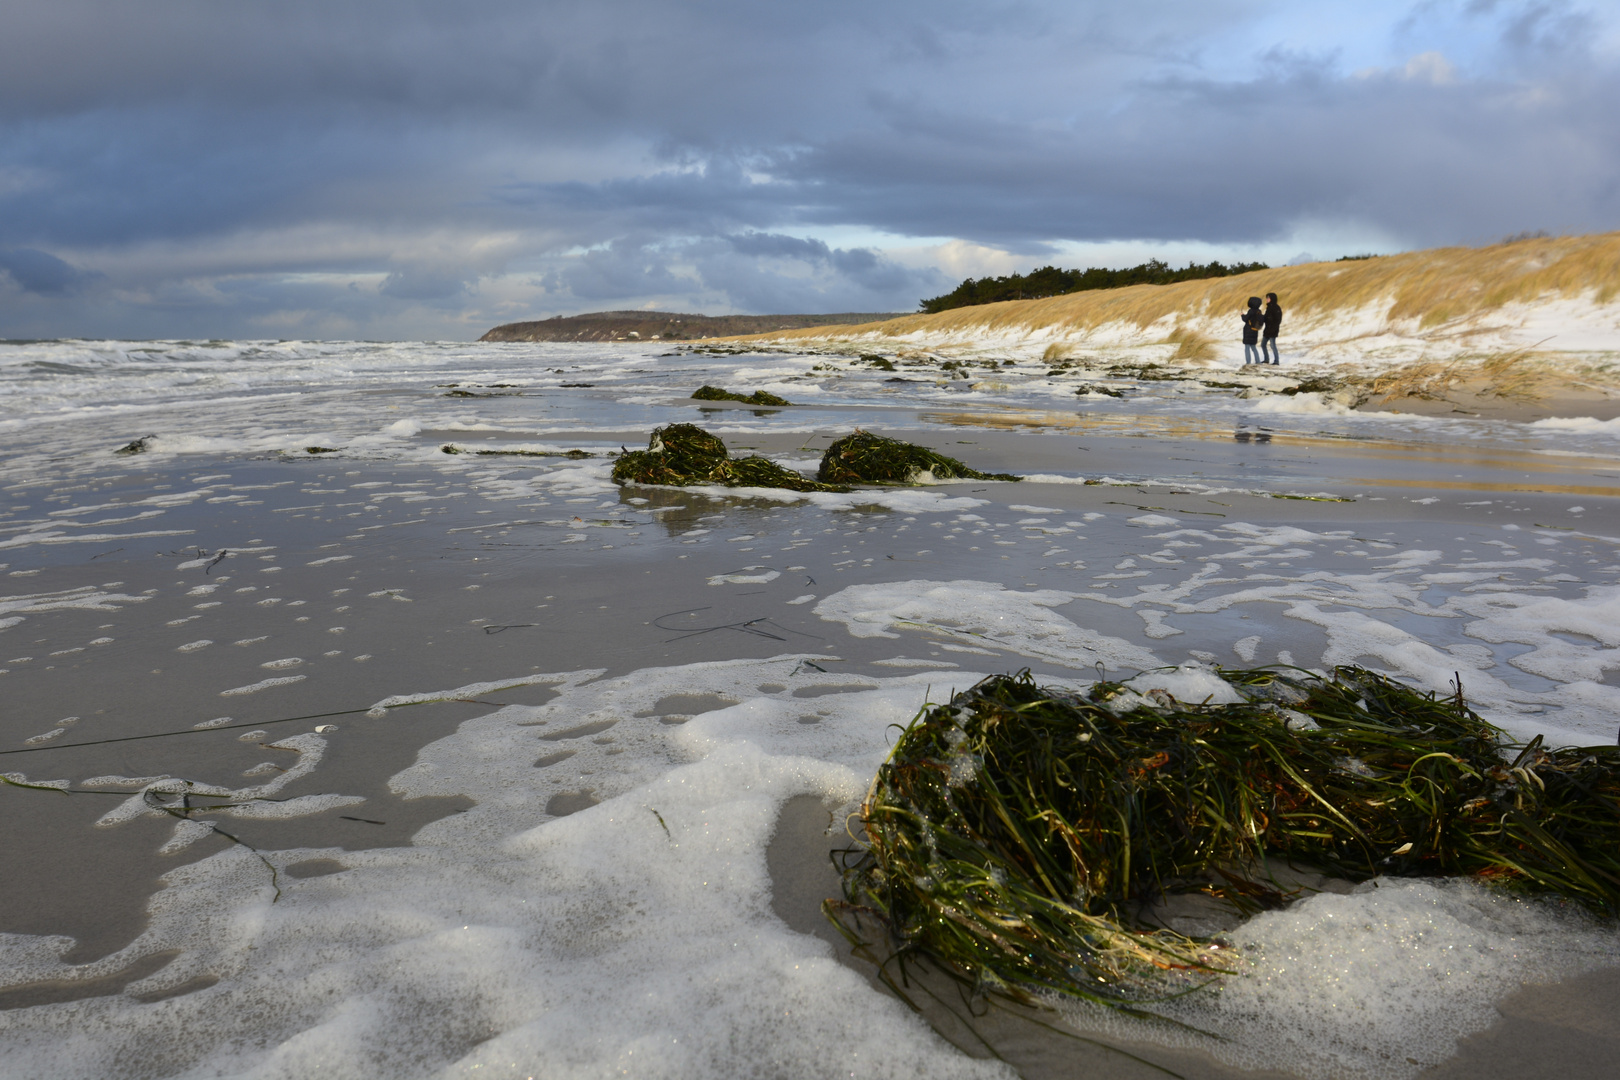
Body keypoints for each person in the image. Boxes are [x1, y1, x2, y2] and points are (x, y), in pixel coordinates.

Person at [1241, 297, 1264, 365]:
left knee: (1247, 347)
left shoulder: (1251, 311)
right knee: (1253, 347)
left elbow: (1246, 319)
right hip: (1255, 330)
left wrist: (1242, 315)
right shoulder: (1259, 311)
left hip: (1248, 330)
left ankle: (1248, 363)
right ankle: (1258, 361)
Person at [1261, 292, 1282, 364]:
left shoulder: (1276, 308)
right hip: (1267, 330)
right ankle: (1266, 359)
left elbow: (1278, 320)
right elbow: (1266, 318)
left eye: (1268, 298)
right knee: (1263, 344)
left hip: (1273, 330)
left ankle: (1276, 361)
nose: (1267, 299)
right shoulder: (1269, 307)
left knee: (1273, 345)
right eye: (1266, 298)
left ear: (1272, 299)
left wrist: (1273, 329)